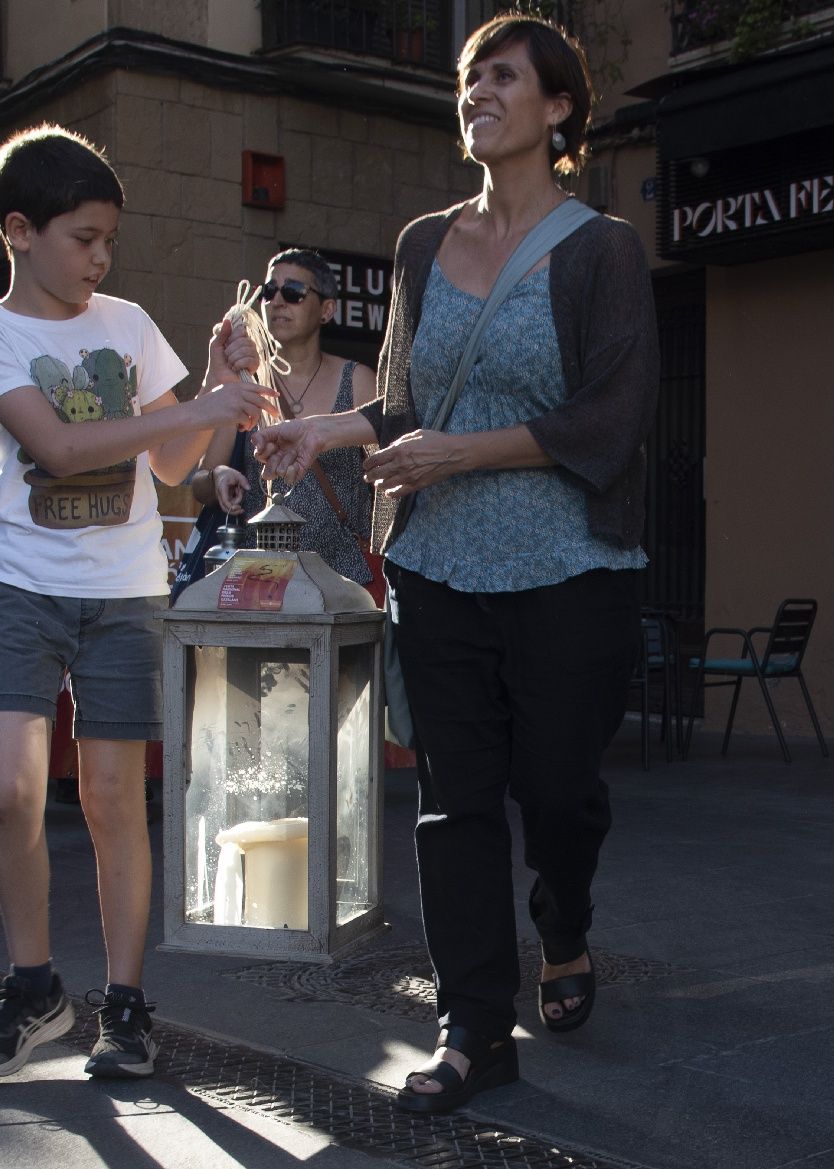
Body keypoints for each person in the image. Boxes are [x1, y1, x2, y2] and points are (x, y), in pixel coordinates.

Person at [253, 15, 657, 1113]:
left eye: (503, 77)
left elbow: (612, 418)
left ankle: (561, 919)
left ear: (558, 107)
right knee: (453, 803)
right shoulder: (422, 243)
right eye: (468, 78)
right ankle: (473, 1025)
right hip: (437, 567)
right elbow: (405, 404)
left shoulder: (600, 251)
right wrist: (323, 432)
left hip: (570, 566)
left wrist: (462, 452)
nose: (476, 91)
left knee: (559, 790)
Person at [0, 124, 266, 1080]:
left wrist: (217, 387)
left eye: (108, 241)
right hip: (21, 586)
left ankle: (125, 1004)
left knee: (115, 798)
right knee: (7, 789)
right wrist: (195, 409)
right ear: (19, 231)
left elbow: (170, 465)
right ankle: (36, 983)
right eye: (83, 238)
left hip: (126, 592)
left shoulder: (126, 323)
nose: (100, 258)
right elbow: (60, 449)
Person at [196, 248, 379, 590]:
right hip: (262, 580)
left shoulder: (356, 380)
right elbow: (200, 482)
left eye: (293, 293)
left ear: (326, 309)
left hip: (343, 581)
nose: (277, 301)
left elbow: (387, 475)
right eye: (269, 291)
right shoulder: (246, 380)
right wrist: (220, 476)